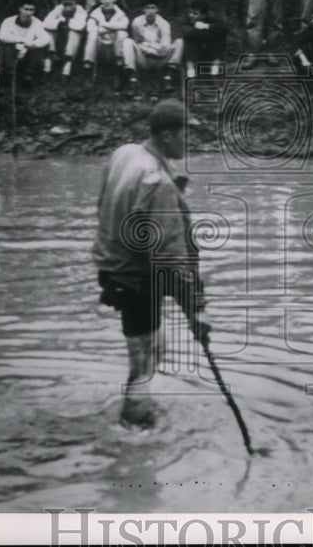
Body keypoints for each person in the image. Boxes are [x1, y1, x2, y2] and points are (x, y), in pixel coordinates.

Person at [92, 98, 209, 428]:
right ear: (169, 136)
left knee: (154, 348)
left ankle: (136, 415)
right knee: (143, 364)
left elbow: (102, 206)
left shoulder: (125, 153)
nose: (191, 142)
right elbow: (171, 259)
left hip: (113, 266)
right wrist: (196, 309)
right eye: (187, 134)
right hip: (136, 278)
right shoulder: (156, 182)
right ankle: (134, 434)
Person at [122, 3, 183, 93]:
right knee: (127, 42)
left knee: (179, 42)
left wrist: (148, 45)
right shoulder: (137, 22)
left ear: (157, 10)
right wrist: (148, 48)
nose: (150, 11)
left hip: (160, 59)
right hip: (144, 58)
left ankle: (168, 77)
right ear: (143, 9)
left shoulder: (164, 24)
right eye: (147, 8)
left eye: (153, 8)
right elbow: (137, 42)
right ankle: (133, 80)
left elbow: (164, 47)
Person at [83, 0, 130, 83]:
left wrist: (103, 25)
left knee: (122, 33)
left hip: (115, 49)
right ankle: (87, 70)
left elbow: (125, 26)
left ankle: (118, 70)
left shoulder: (121, 12)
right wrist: (114, 27)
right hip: (100, 50)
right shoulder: (94, 12)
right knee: (92, 35)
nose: (107, 1)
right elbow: (91, 29)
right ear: (100, 0)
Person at [0, 1, 52, 84]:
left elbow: (46, 38)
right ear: (20, 9)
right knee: (6, 46)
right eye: (26, 9)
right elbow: (2, 36)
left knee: (38, 46)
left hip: (28, 53)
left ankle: (29, 75)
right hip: (14, 51)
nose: (29, 12)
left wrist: (31, 45)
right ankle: (10, 74)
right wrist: (20, 40)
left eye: (32, 10)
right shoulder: (9, 21)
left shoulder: (37, 22)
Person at [42, 0, 88, 78]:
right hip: (60, 40)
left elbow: (80, 26)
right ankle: (48, 64)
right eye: (65, 4)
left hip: (76, 45)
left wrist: (66, 21)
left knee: (75, 33)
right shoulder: (58, 8)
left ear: (76, 3)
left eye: (70, 4)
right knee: (49, 31)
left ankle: (67, 67)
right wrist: (59, 23)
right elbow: (45, 23)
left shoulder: (81, 11)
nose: (67, 7)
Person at [180, 0, 228, 79]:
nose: (191, 15)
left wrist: (206, 26)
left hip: (210, 53)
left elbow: (225, 28)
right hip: (194, 54)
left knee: (219, 37)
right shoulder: (186, 19)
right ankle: (190, 73)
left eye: (195, 13)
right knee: (189, 39)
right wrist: (208, 32)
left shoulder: (211, 18)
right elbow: (187, 32)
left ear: (203, 15)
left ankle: (214, 72)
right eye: (190, 12)